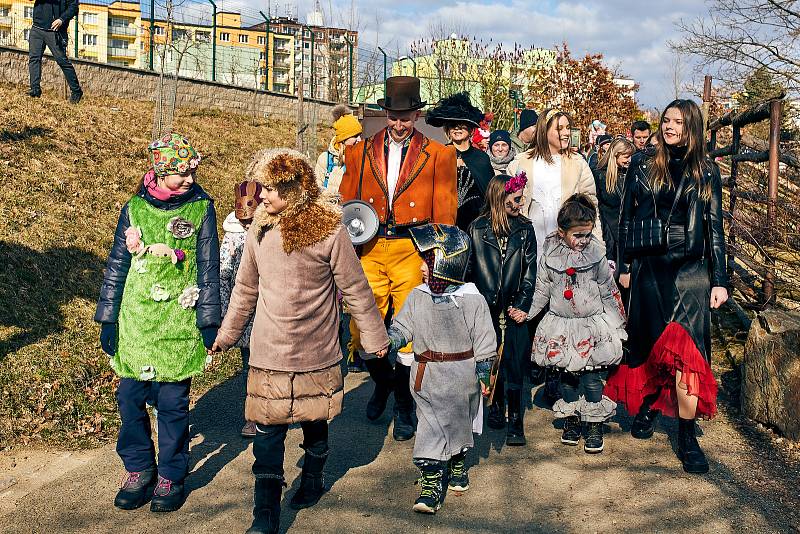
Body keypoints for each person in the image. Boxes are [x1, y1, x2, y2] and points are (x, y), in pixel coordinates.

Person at [211, 148, 389, 534]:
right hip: (270, 349)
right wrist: (227, 335)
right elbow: (245, 289)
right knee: (267, 432)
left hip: (317, 347)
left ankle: (313, 475)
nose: (263, 196)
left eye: (273, 189)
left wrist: (374, 337)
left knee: (314, 419)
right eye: (263, 187)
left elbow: (355, 288)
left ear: (295, 188)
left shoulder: (330, 230)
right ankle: (266, 515)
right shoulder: (259, 228)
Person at [95, 133, 220, 512]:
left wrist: (208, 319)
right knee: (129, 397)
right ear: (159, 171)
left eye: (191, 173)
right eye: (179, 174)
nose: (188, 180)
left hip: (178, 321)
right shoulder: (133, 208)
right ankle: (138, 468)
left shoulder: (201, 208)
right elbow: (118, 265)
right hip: (136, 320)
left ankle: (170, 473)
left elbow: (208, 266)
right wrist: (108, 317)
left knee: (172, 403)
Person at [606, 99, 728, 474]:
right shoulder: (643, 164)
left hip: (691, 271)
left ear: (691, 126)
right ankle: (647, 405)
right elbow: (626, 217)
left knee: (687, 354)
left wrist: (720, 280)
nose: (669, 126)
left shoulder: (706, 171)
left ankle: (686, 435)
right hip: (649, 267)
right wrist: (624, 265)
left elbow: (715, 228)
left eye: (677, 121)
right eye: (666, 120)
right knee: (649, 344)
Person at [338, 76, 457, 441]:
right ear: (385, 112)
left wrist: (433, 259)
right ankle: (384, 384)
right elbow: (347, 205)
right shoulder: (358, 152)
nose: (399, 124)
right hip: (370, 249)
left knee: (409, 332)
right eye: (393, 115)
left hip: (411, 249)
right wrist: (349, 254)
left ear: (417, 115)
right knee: (361, 328)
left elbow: (445, 216)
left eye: (406, 117)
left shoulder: (439, 154)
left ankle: (404, 402)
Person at [387, 223, 496, 514]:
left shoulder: (472, 301)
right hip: (427, 377)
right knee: (430, 428)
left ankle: (457, 460)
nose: (422, 267)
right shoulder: (418, 296)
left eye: (427, 260)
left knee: (458, 423)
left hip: (462, 377)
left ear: (446, 261)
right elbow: (402, 327)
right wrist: (390, 340)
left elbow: (485, 339)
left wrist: (484, 372)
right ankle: (431, 482)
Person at [507, 108, 602, 406]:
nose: (564, 132)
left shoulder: (577, 163)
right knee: (531, 303)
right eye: (558, 127)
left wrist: (594, 247)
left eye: (567, 127)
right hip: (530, 244)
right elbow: (508, 200)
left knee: (562, 309)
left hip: (566, 249)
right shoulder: (522, 162)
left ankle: (554, 376)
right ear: (544, 130)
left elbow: (590, 204)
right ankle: (531, 364)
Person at [530, 194, 626, 453]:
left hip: (590, 325)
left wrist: (618, 322)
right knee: (568, 379)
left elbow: (608, 289)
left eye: (587, 234)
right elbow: (542, 290)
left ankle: (593, 423)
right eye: (577, 236)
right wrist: (526, 313)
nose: (583, 241)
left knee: (593, 379)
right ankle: (572, 418)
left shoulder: (595, 254)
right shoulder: (550, 256)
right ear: (562, 232)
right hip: (562, 326)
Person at [468, 173, 536, 446]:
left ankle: (516, 421)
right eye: (516, 199)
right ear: (500, 198)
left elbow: (531, 269)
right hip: (485, 306)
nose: (520, 204)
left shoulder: (524, 228)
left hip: (513, 305)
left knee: (515, 361)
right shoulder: (477, 228)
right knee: (490, 358)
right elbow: (470, 270)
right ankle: (494, 405)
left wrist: (522, 304)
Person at [220, 180, 263, 438]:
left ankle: (268, 410)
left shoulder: (270, 232)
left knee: (267, 365)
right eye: (244, 222)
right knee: (250, 365)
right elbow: (224, 273)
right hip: (244, 310)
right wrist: (226, 312)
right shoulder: (233, 236)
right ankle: (252, 416)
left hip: (268, 309)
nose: (248, 226)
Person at [426, 92, 494, 232]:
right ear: (447, 130)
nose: (457, 128)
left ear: (470, 130)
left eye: (462, 125)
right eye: (453, 125)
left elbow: (490, 194)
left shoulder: (481, 158)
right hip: (446, 222)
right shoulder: (439, 154)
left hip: (476, 226)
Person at [28, 0, 82, 103]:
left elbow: (74, 6)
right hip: (37, 28)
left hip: (55, 30)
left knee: (62, 61)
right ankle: (35, 89)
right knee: (34, 58)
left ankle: (76, 91)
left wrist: (62, 19)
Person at [592, 137, 635, 266]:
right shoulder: (600, 175)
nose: (629, 160)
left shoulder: (631, 173)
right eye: (626, 156)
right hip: (608, 231)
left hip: (627, 232)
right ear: (616, 155)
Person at [314, 104, 363, 194]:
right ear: (343, 139)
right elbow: (316, 189)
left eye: (360, 135)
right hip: (328, 206)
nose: (359, 139)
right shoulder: (325, 159)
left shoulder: (361, 159)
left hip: (350, 207)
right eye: (355, 136)